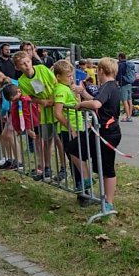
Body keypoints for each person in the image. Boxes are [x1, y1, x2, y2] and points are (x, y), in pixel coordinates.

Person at [73, 57, 122, 211]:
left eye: (97, 69)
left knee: (107, 168)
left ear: (101, 70)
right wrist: (83, 92)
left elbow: (96, 104)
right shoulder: (108, 86)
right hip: (99, 131)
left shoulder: (108, 86)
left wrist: (81, 104)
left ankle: (108, 202)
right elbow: (97, 100)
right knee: (74, 148)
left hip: (108, 133)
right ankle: (87, 179)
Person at [12, 50, 57, 181]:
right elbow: (29, 98)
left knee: (55, 140)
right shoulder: (22, 81)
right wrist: (41, 101)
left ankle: (57, 168)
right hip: (42, 112)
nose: (27, 65)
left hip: (55, 106)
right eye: (23, 64)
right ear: (17, 67)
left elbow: (55, 83)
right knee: (43, 140)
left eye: (28, 62)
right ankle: (45, 167)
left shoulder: (42, 68)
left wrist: (53, 100)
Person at [53, 60, 88, 191]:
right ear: (58, 77)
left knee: (80, 158)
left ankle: (84, 186)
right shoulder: (60, 89)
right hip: (69, 130)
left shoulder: (67, 87)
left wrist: (76, 92)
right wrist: (70, 128)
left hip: (78, 126)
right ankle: (81, 189)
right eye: (68, 76)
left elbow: (77, 104)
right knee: (75, 159)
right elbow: (57, 112)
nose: (71, 78)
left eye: (71, 75)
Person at [117, 53, 135, 122]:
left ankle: (128, 117)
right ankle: (130, 115)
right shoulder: (129, 64)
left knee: (124, 101)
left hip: (123, 84)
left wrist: (117, 81)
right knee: (129, 100)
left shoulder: (120, 65)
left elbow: (118, 75)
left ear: (120, 57)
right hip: (130, 83)